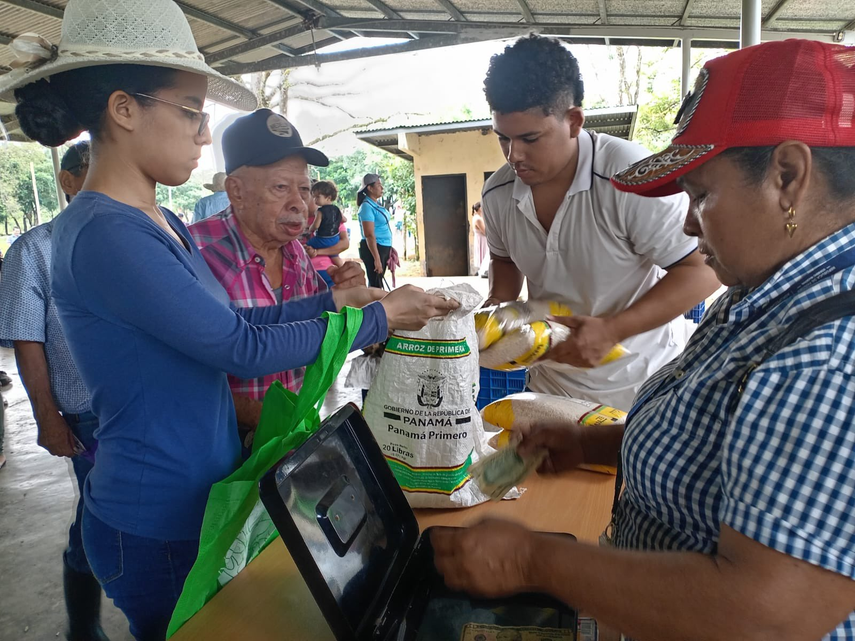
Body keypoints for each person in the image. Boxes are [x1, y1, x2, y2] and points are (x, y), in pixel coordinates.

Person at [3, 1, 456, 638]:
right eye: (190, 111)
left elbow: (254, 321)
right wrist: (376, 320)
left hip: (202, 493)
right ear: (124, 109)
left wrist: (337, 301)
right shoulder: (107, 233)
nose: (200, 133)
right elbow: (238, 347)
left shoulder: (158, 223)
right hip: (154, 513)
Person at [433, 39, 855, 640]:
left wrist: (533, 560)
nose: (686, 222)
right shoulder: (766, 294)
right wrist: (594, 444)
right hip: (569, 399)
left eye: (702, 195)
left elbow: (763, 615)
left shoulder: (828, 356)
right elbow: (713, 426)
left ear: (787, 176)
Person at [479, 35, 720, 410]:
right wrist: (498, 305)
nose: (514, 155)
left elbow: (702, 269)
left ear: (573, 121)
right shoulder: (497, 194)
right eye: (503, 139)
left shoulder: (629, 179)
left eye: (529, 138)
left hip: (644, 388)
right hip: (549, 390)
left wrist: (613, 330)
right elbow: (505, 260)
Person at [0, 141, 108, 641]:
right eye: (93, 172)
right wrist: (46, 415)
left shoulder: (141, 236)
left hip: (150, 407)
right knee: (99, 519)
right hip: (89, 415)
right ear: (67, 182)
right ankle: (83, 628)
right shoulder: (34, 250)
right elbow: (28, 340)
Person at [189, 109, 333, 443]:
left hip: (290, 437)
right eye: (281, 187)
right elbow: (177, 375)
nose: (300, 204)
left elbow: (317, 322)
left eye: (304, 188)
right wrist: (260, 416)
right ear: (235, 190)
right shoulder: (194, 254)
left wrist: (344, 295)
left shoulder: (295, 250)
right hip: (219, 448)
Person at [357, 173, 394, 289]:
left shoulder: (375, 204)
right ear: (370, 188)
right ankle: (375, 306)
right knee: (375, 285)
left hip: (382, 246)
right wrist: (377, 259)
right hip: (374, 249)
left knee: (377, 283)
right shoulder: (367, 207)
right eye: (378, 185)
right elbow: (369, 235)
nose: (382, 188)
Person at [309, 180, 345, 278]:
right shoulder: (336, 209)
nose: (314, 200)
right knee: (335, 256)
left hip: (322, 239)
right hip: (334, 238)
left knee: (303, 247)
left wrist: (310, 229)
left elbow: (315, 226)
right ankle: (342, 268)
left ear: (328, 197)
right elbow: (344, 219)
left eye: (317, 197)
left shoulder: (320, 211)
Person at [471, 201, 489, 277]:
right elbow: (485, 231)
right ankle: (483, 271)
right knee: (484, 255)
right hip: (482, 240)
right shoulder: (478, 219)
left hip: (481, 239)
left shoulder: (478, 217)